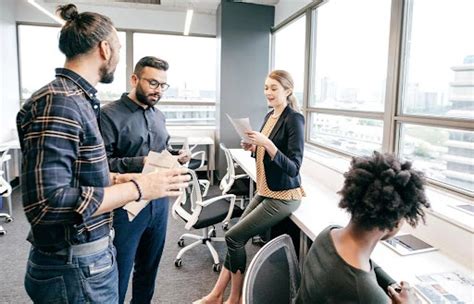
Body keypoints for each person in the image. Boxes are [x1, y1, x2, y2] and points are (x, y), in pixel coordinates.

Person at [16, 5, 189, 304]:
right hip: (74, 262)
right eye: (120, 47)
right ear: (105, 49)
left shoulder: (79, 100)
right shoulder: (61, 102)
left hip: (90, 251)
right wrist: (138, 186)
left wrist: (123, 176)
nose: (119, 57)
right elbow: (46, 204)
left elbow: (81, 174)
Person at [196, 70, 305, 304]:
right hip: (265, 190)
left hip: (284, 195)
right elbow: (266, 153)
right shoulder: (269, 117)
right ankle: (216, 295)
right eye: (266, 87)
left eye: (274, 88)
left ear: (287, 91)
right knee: (235, 238)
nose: (268, 92)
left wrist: (266, 143)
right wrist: (254, 148)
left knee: (234, 237)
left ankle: (234, 298)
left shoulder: (293, 118)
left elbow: (294, 167)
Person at [100, 56, 191, 304]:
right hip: (125, 205)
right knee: (119, 272)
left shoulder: (158, 116)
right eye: (153, 83)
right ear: (134, 79)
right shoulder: (108, 115)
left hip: (159, 203)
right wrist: (141, 162)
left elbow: (162, 149)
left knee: (148, 270)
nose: (158, 90)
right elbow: (101, 165)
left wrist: (175, 157)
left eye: (163, 85)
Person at [295, 151, 430, 304]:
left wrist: (391, 283)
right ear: (396, 222)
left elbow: (369, 266)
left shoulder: (329, 233)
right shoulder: (364, 292)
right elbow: (363, 286)